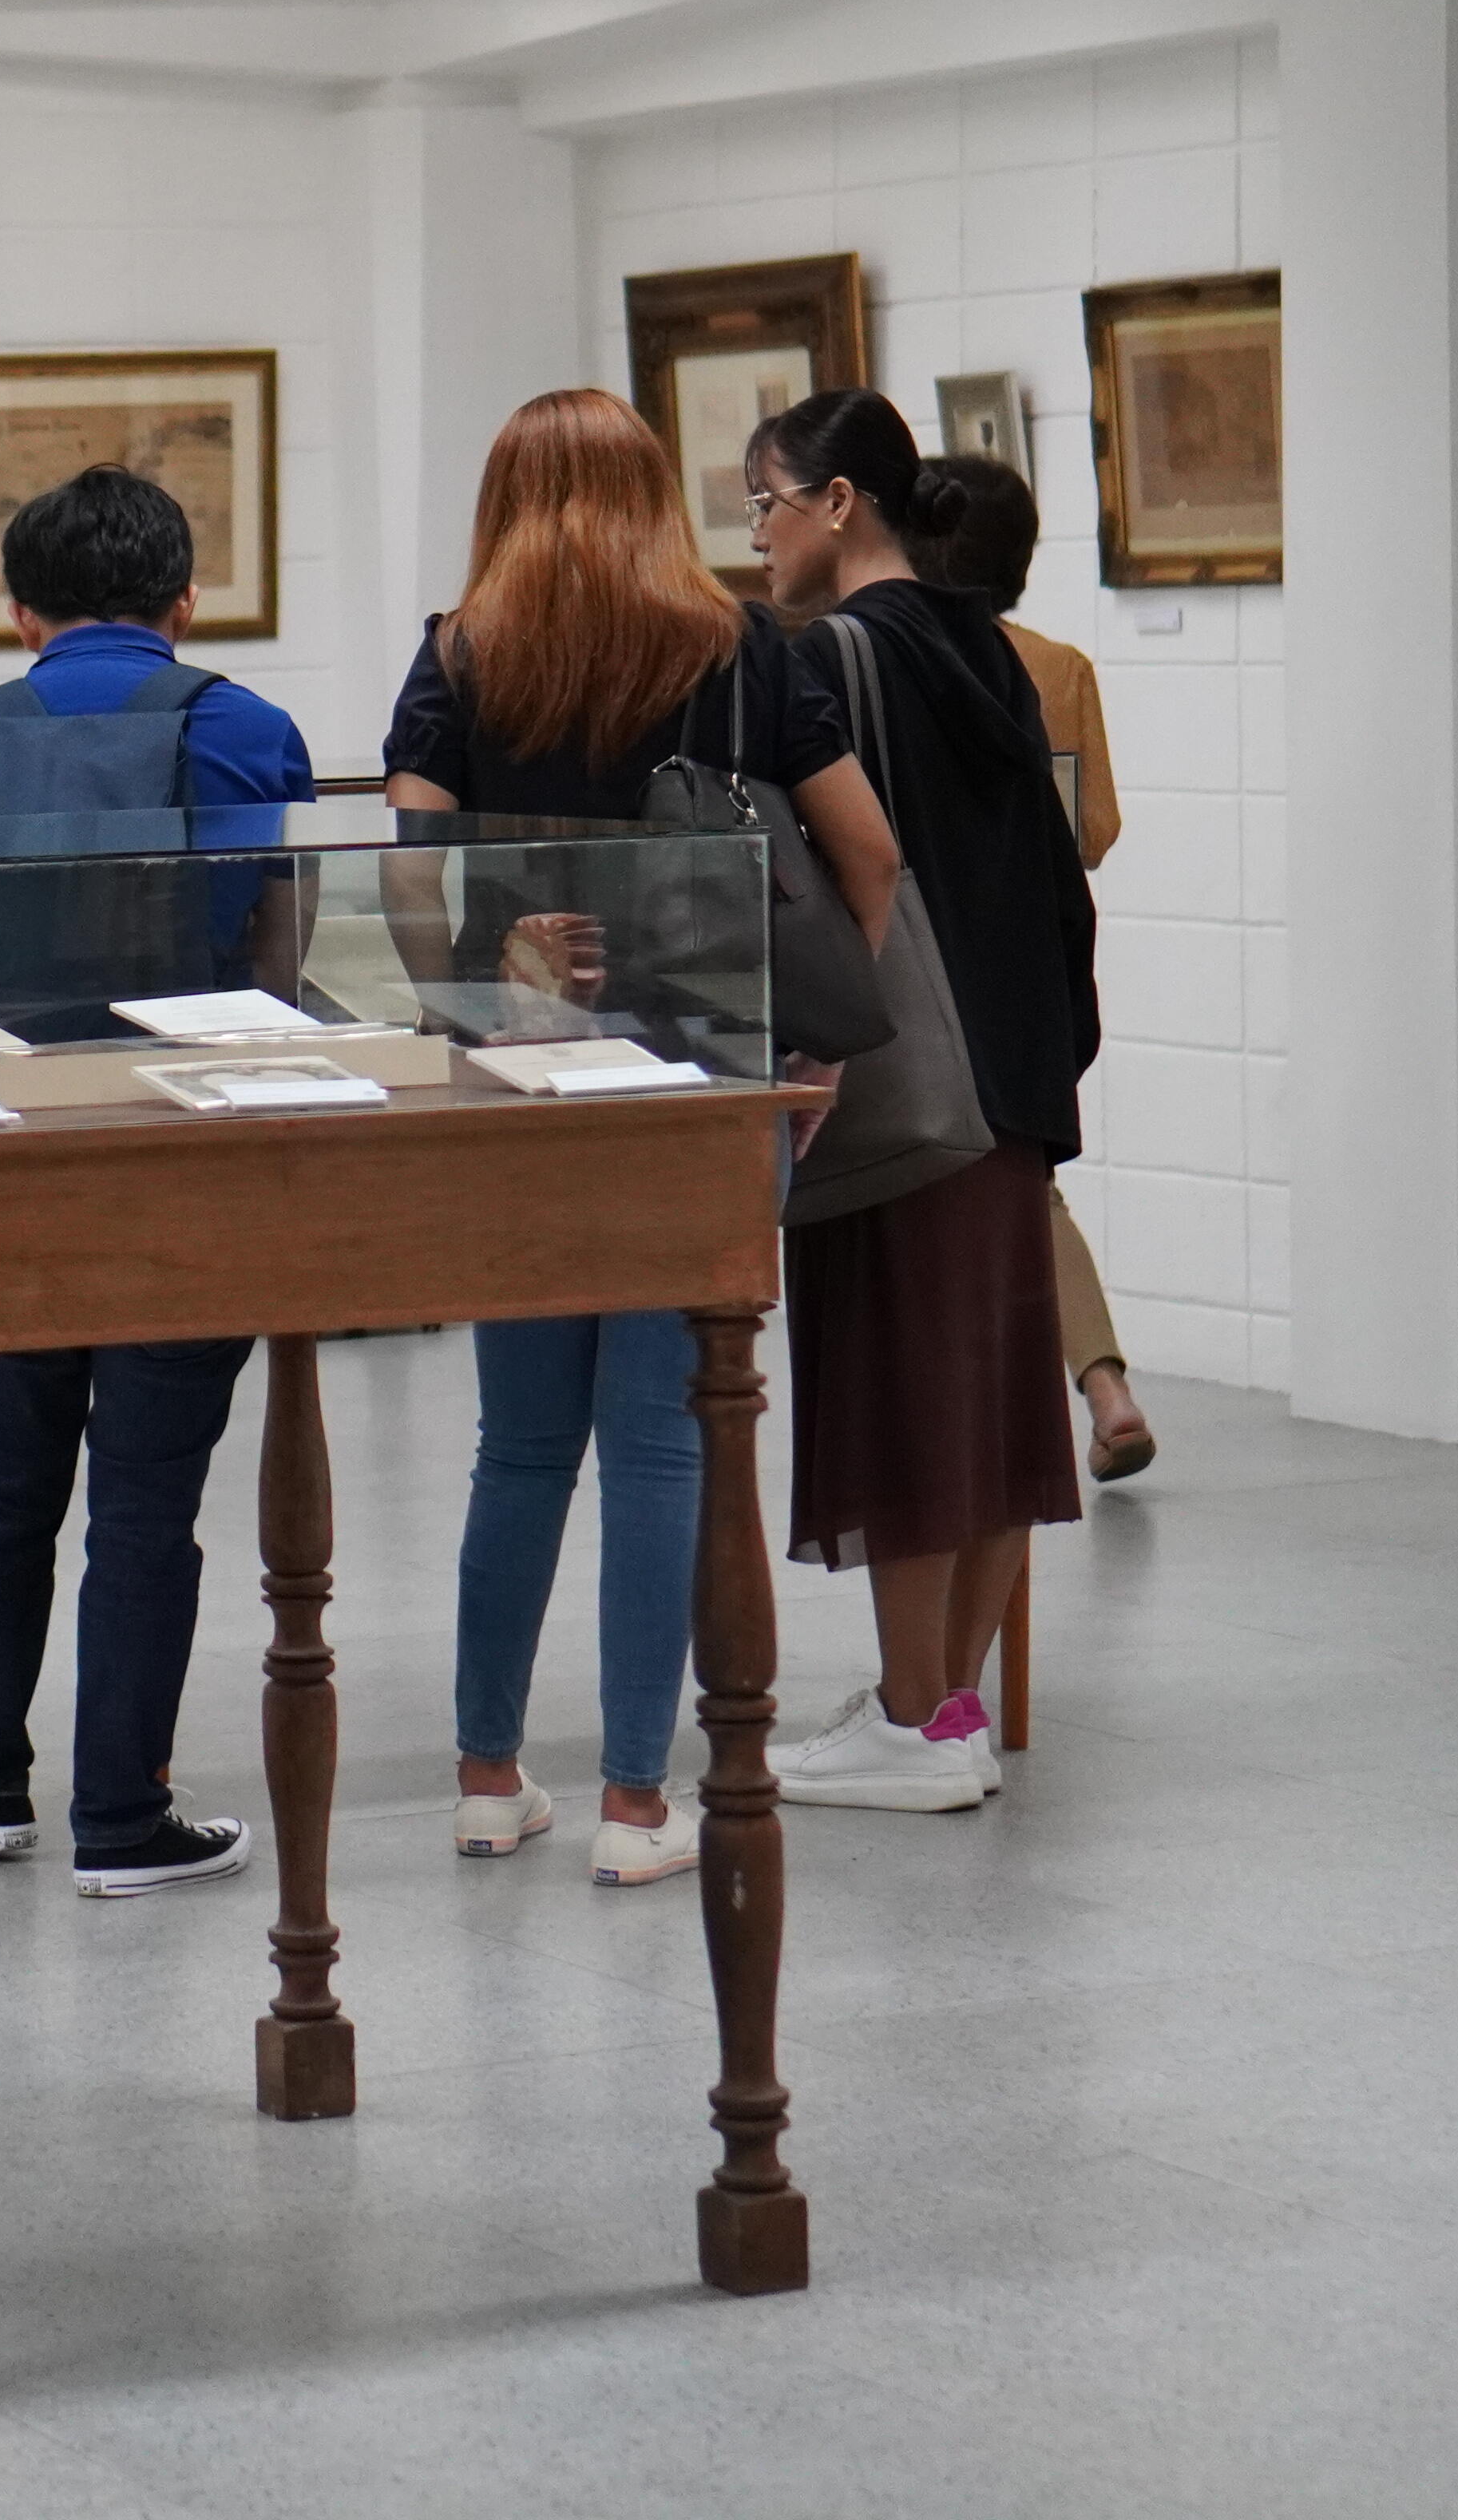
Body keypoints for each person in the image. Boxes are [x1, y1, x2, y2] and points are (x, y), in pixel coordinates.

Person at [383, 389, 901, 1885]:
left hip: (522, 1083)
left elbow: (411, 875)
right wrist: (810, 1017)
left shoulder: (459, 654)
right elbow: (866, 850)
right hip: (702, 1077)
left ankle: (488, 1779)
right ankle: (634, 1807)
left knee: (522, 1443)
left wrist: (468, 1002)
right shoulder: (742, 648)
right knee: (665, 1446)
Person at [0, 464, 318, 1897]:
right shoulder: (248, 732)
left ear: (21, 617)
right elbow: (271, 962)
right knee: (147, 1496)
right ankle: (124, 1819)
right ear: (183, 603)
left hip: (7, 1147)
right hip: (180, 1146)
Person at [744, 389, 1099, 1812]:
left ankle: (911, 1719)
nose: (756, 534)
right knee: (1003, 1409)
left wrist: (816, 1051)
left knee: (905, 1396)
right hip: (1014, 1066)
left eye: (768, 500)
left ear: (842, 504)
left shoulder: (827, 657)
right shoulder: (991, 645)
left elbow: (855, 870)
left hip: (901, 1068)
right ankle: (943, 1707)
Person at [911, 453, 1159, 1480]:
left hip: (922, 959)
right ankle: (1103, 1385)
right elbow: (1092, 832)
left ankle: (978, 1424)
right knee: (1028, 1184)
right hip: (1032, 964)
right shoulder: (1058, 668)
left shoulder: (890, 658)